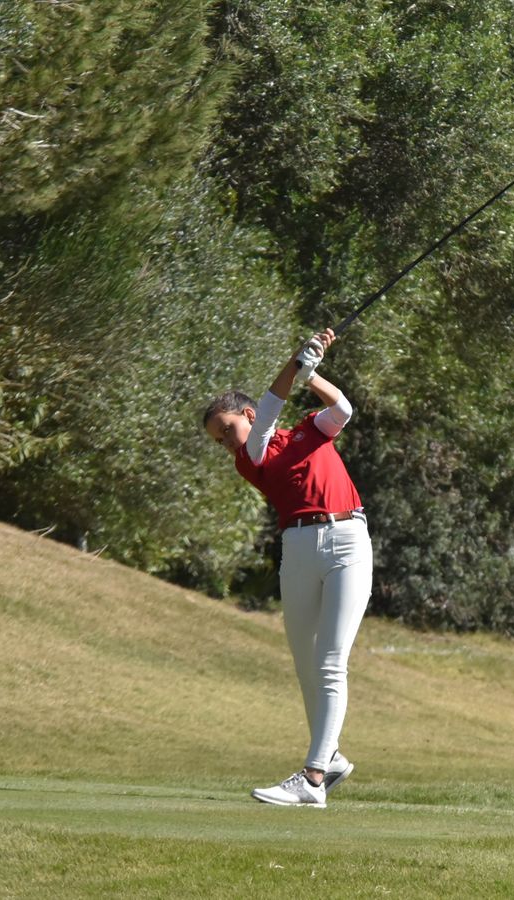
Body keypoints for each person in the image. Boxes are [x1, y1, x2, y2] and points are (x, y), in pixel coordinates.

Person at [202, 328, 372, 808]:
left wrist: (310, 371)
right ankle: (331, 756)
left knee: (331, 660)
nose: (226, 444)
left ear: (246, 414)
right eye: (219, 441)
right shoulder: (251, 457)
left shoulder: (307, 429)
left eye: (226, 431)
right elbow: (272, 405)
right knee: (305, 664)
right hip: (298, 549)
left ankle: (314, 778)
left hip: (347, 541)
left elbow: (343, 410)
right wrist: (296, 363)